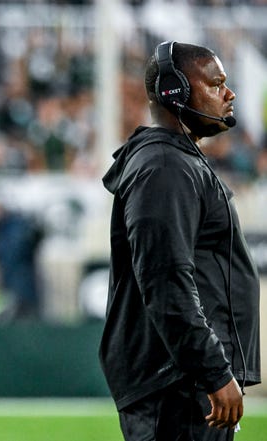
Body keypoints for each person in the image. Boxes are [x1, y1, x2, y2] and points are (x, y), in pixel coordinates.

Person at [99, 41, 261, 441]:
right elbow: (166, 280)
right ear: (177, 91)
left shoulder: (173, 161)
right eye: (215, 83)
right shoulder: (165, 167)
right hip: (176, 386)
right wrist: (213, 370)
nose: (229, 93)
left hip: (181, 382)